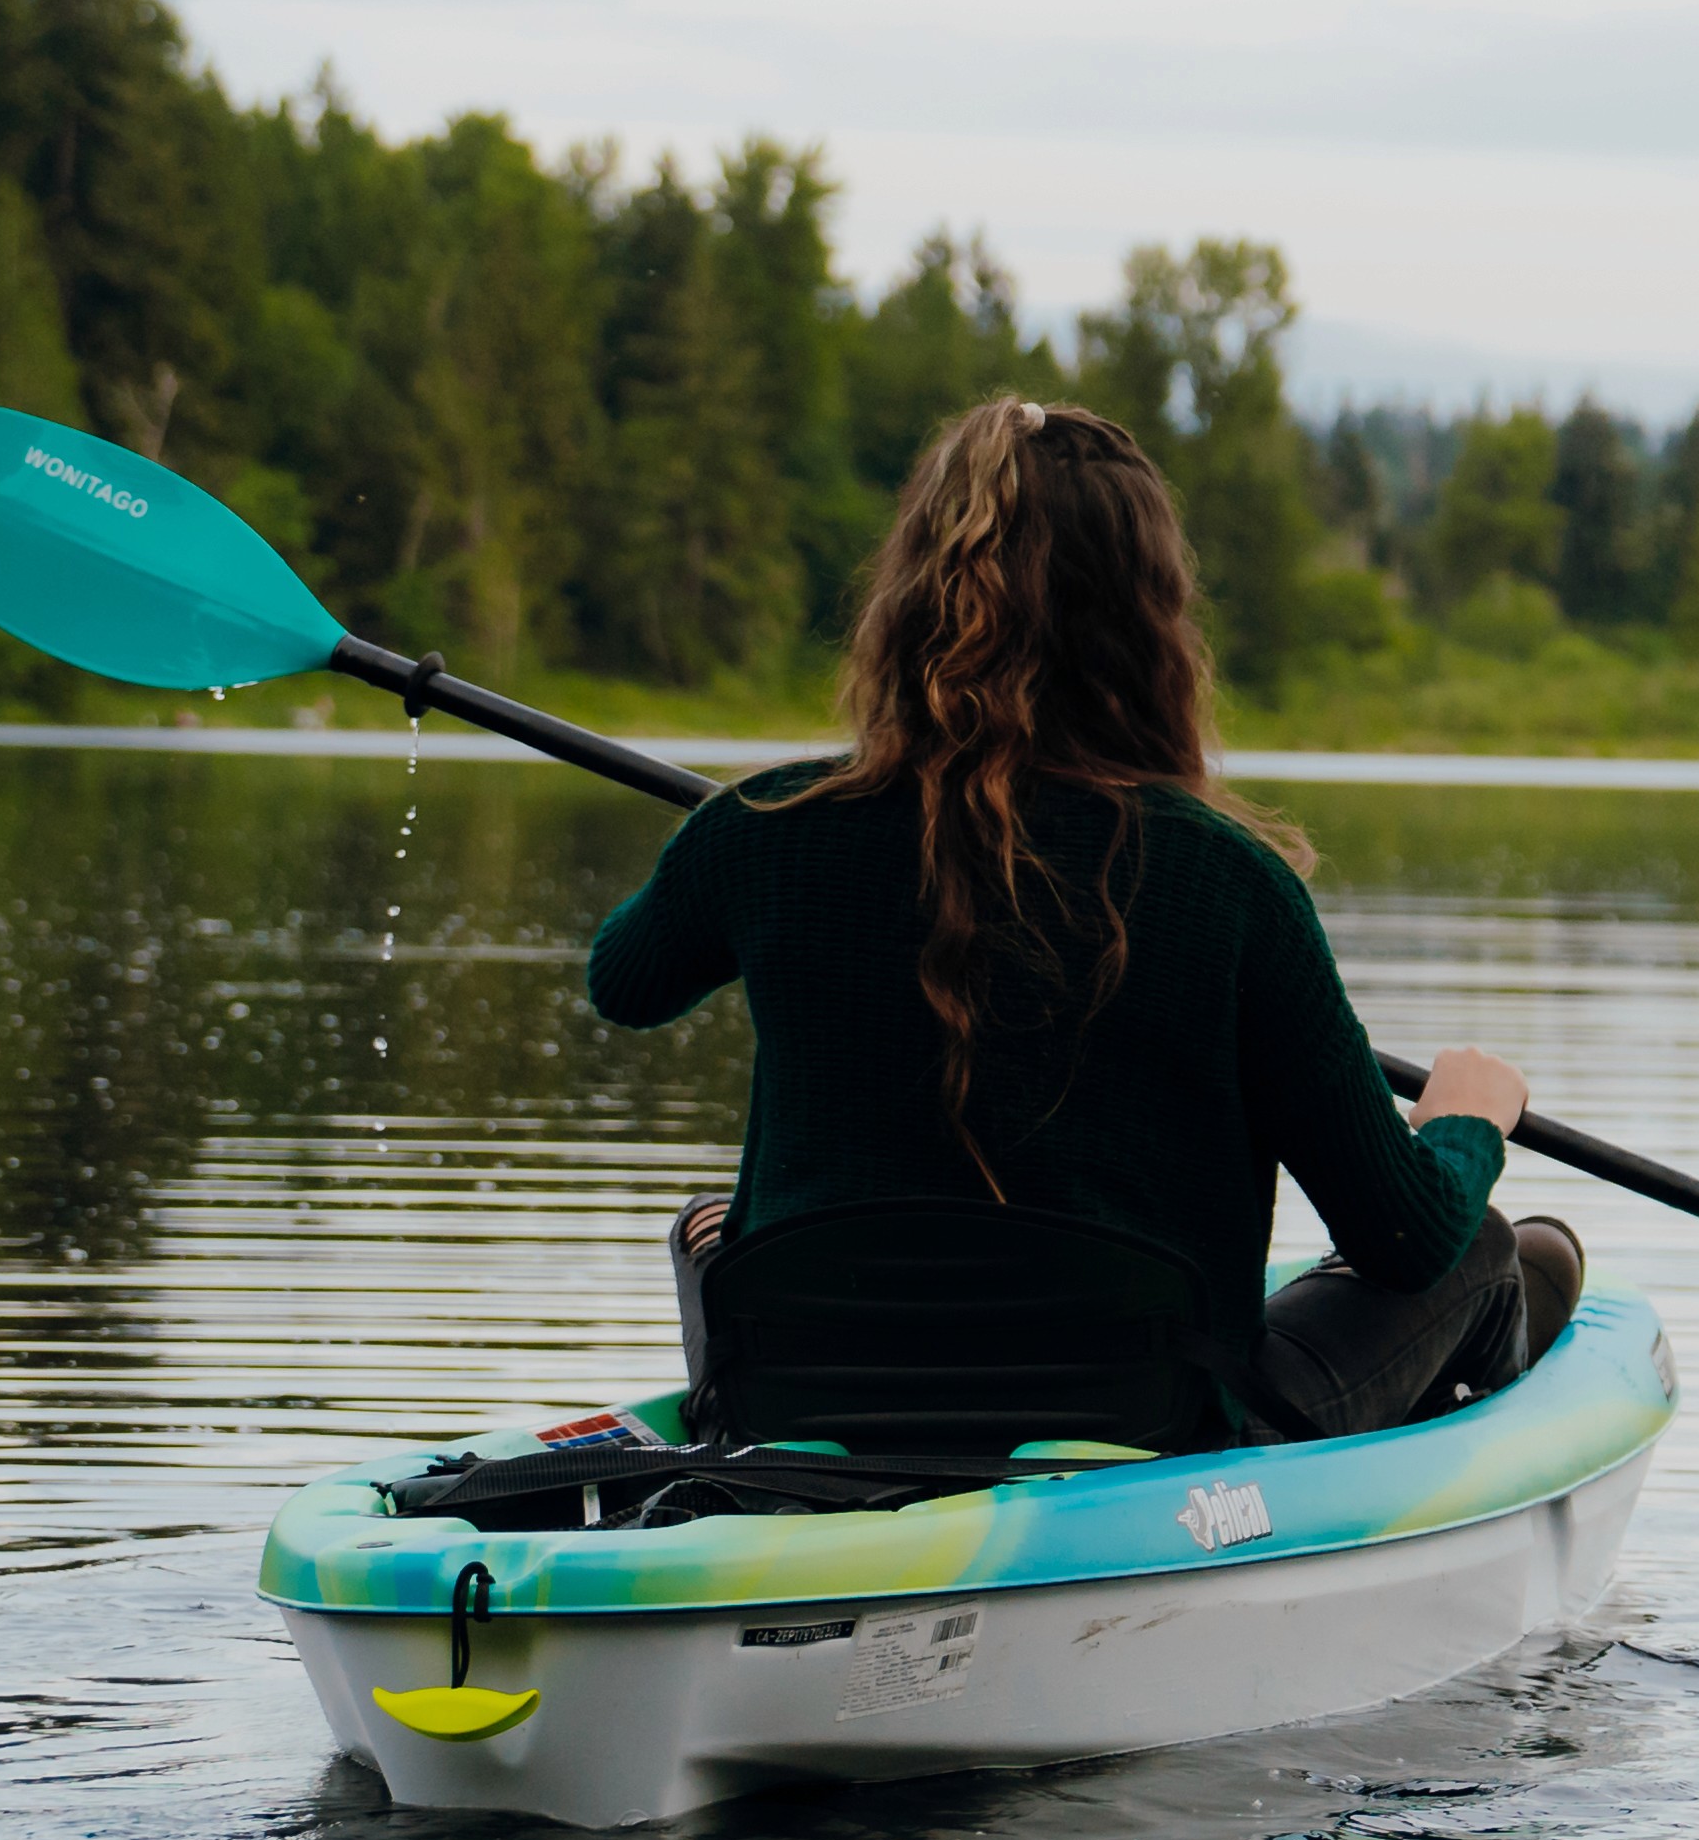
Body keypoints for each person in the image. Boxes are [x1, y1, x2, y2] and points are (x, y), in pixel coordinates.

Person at [590, 396, 1578, 1458]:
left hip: (805, 1399)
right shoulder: (1227, 883)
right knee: (1475, 1242)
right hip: (1145, 1432)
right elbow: (1403, 1238)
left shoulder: (758, 832)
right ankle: (1457, 1479)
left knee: (714, 1227)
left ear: (906, 602)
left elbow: (624, 980)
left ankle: (747, 1429)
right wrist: (1465, 1121)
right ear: (1149, 623)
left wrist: (741, 840)